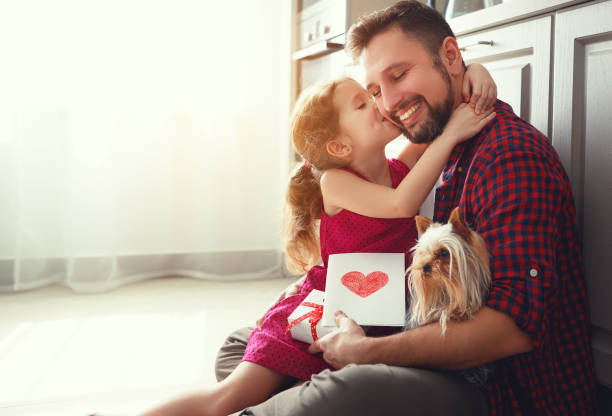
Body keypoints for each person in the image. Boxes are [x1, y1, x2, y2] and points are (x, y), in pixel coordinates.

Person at [215, 1, 600, 416]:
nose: (387, 103)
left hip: (497, 390)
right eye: (375, 91)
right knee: (242, 345)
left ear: (450, 57)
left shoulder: (510, 159)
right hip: (423, 324)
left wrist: (367, 352)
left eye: (398, 75)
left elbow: (512, 332)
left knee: (340, 387)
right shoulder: (443, 144)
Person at [122, 66, 494, 416]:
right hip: (323, 311)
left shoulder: (399, 168)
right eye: (362, 104)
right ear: (340, 147)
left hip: (370, 318)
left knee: (317, 393)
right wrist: (449, 137)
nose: (378, 102)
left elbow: (438, 116)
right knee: (230, 396)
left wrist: (473, 73)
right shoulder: (336, 181)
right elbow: (402, 204)